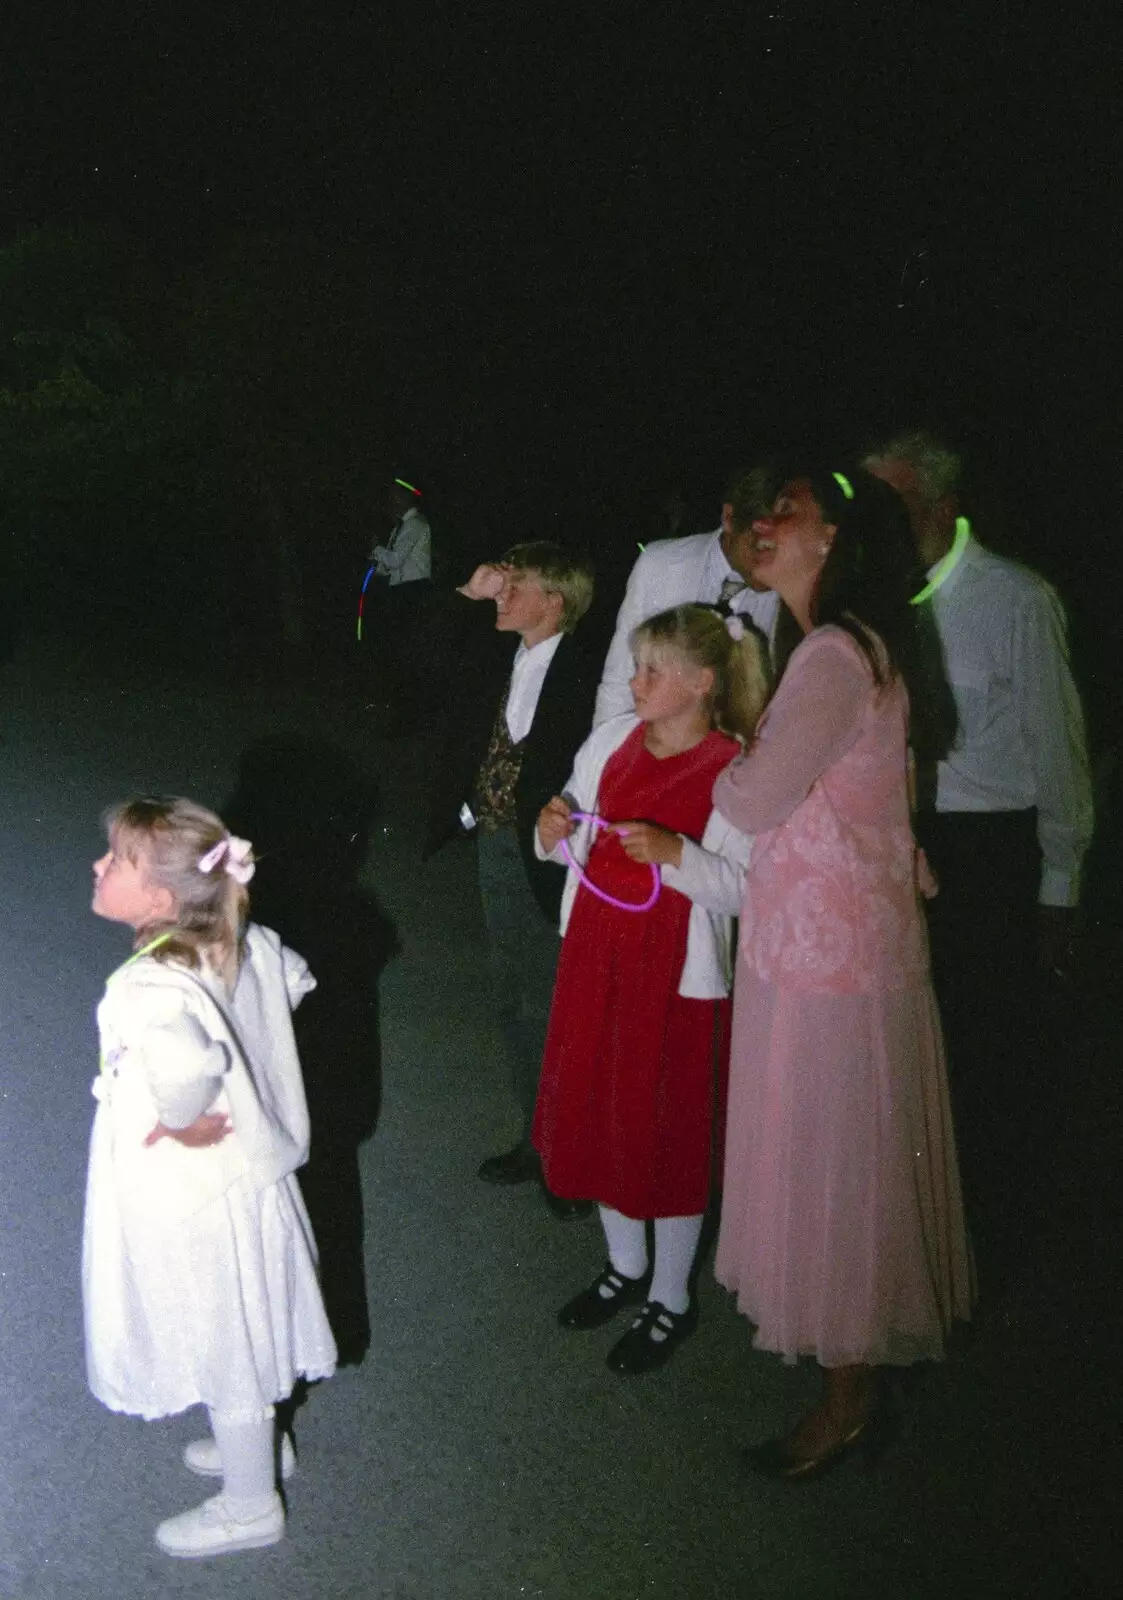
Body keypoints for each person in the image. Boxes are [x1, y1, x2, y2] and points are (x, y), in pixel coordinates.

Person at [711, 467, 972, 1478]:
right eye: (762, 509)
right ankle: (847, 1386)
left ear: (834, 540)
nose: (767, 522)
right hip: (841, 948)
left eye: (792, 512)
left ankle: (846, 1402)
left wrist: (722, 747)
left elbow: (751, 798)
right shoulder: (844, 644)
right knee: (844, 1170)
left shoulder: (827, 653)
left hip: (828, 964)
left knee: (837, 1174)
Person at [863, 431, 1094, 1276]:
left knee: (983, 1054)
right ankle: (917, 1241)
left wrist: (1058, 888)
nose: (876, 519)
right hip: (895, 839)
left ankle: (988, 1247)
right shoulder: (876, 596)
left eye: (893, 501)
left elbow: (1058, 751)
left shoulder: (1014, 599)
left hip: (984, 848)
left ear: (941, 505)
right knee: (905, 1049)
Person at [83, 797, 337, 1558]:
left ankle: (251, 1505)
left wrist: (182, 1113)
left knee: (226, 1336)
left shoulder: (147, 987)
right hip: (251, 1185)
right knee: (247, 1318)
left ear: (161, 900)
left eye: (116, 861)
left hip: (194, 1192)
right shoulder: (243, 939)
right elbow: (293, 979)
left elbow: (186, 1064)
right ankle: (255, 1446)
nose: (97, 866)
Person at [533, 605, 768, 1374]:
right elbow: (570, 826)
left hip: (672, 979)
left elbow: (746, 891)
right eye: (634, 667)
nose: (632, 684)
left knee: (662, 1123)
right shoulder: (608, 744)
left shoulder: (733, 771)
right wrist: (553, 831)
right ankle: (623, 1265)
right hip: (598, 958)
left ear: (703, 684)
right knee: (602, 1106)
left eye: (651, 671)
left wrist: (677, 854)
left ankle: (671, 1295)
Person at [424, 543, 600, 1219]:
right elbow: (424, 664)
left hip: (558, 855)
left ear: (554, 600)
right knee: (515, 1000)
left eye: (515, 585)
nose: (503, 595)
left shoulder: (588, 665)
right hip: (497, 843)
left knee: (560, 1002)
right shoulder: (497, 652)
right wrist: (469, 593)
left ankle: (571, 1154)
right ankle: (539, 1139)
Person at [593, 467, 783, 725]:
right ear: (729, 518)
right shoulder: (659, 564)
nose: (771, 562)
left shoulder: (790, 596)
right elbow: (619, 682)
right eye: (760, 546)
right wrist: (605, 760)